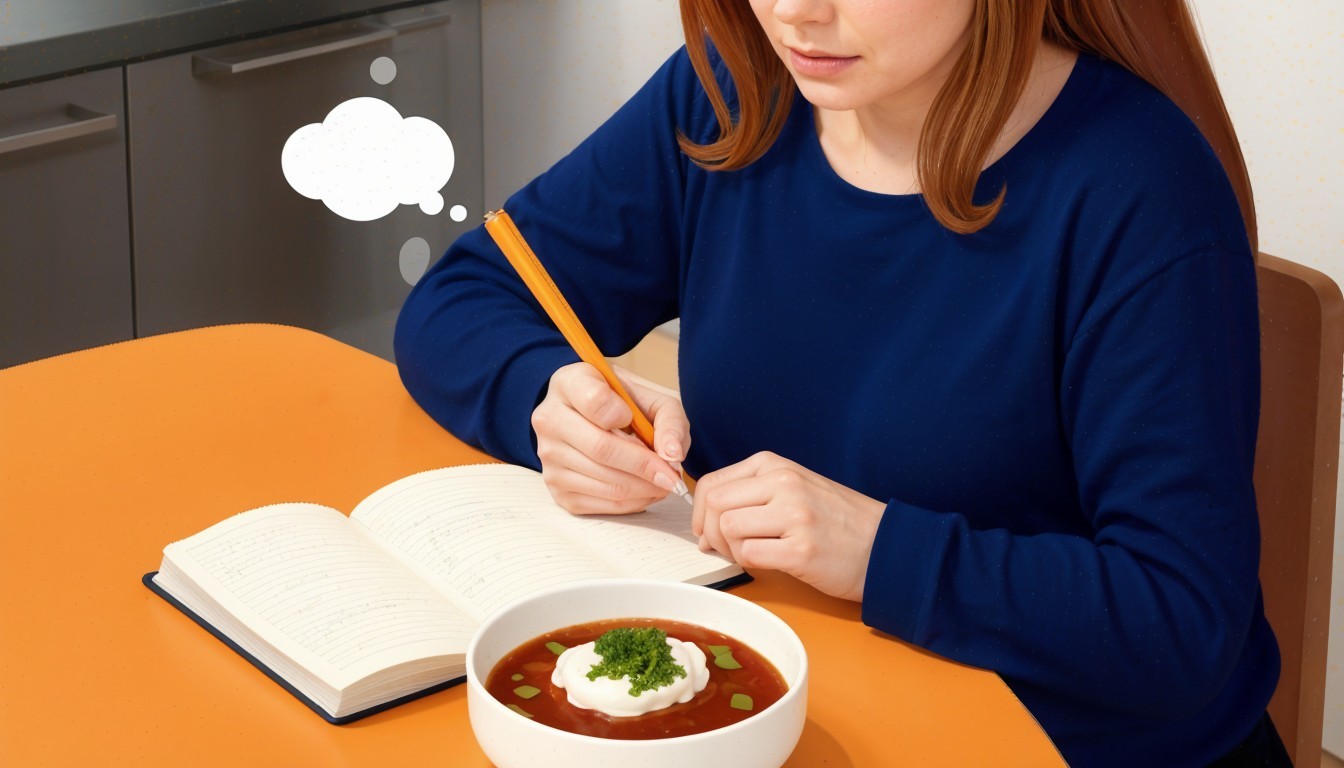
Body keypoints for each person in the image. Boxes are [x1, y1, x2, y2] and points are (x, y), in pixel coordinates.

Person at [395, 1, 1288, 764]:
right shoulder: (736, 94)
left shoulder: (1141, 190)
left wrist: (880, 552)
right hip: (801, 705)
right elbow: (462, 298)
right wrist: (547, 401)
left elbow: (1182, 622)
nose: (794, 11)